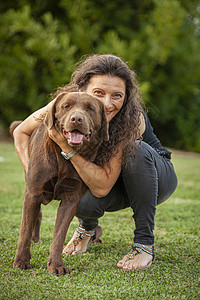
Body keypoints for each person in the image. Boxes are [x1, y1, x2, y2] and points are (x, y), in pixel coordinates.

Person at [13, 54, 177, 270]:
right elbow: (20, 132)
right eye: (98, 93)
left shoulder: (132, 120)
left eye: (117, 95)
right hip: (107, 175)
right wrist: (32, 176)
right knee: (79, 197)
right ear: (82, 88)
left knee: (135, 151)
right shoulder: (64, 104)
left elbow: (102, 187)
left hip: (152, 176)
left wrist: (65, 146)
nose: (107, 103)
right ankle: (87, 230)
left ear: (126, 97)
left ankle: (144, 245)